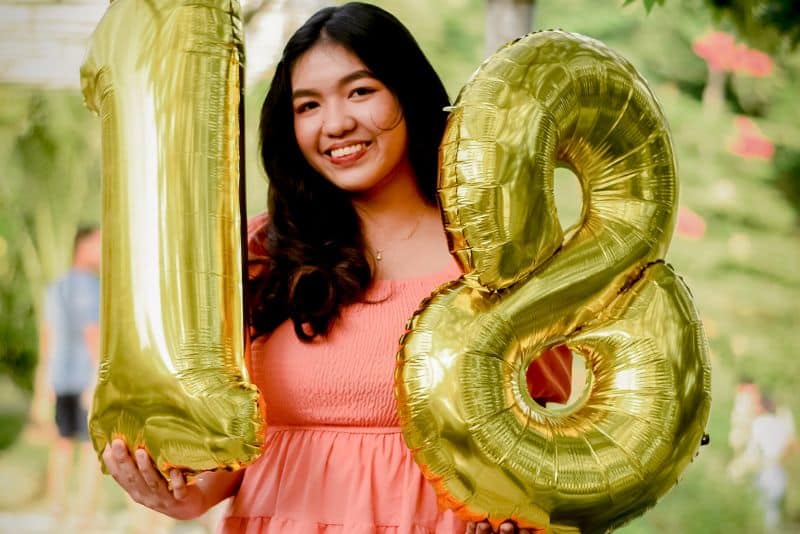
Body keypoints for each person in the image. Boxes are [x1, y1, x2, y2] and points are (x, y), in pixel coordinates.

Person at [101, 4, 572, 533]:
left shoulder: (496, 255)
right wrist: (186, 496)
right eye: (308, 105)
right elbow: (254, 444)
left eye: (360, 91)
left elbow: (549, 435)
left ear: (408, 92)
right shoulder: (262, 249)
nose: (336, 122)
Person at [42, 225, 102, 524]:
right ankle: (85, 515)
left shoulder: (56, 287)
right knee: (92, 449)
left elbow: (47, 337)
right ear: (82, 246)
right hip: (85, 379)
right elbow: (93, 334)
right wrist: (99, 378)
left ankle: (57, 509)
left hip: (60, 376)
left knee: (62, 443)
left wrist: (44, 382)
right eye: (98, 243)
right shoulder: (90, 288)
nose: (103, 250)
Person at [745, 393, 797, 532]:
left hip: (764, 467)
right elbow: (792, 444)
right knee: (773, 508)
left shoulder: (759, 423)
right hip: (779, 467)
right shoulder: (782, 423)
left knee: (761, 505)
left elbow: (752, 449)